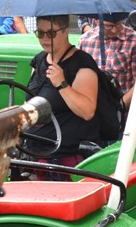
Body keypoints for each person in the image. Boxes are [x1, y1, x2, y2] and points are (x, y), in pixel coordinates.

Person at [24, 14, 108, 165]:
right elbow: (31, 100)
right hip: (36, 150)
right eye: (40, 33)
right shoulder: (39, 60)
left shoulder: (81, 63)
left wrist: (62, 84)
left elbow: (87, 111)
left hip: (66, 155)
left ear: (65, 31)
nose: (44, 39)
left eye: (51, 33)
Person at [79, 17, 136, 107]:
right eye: (109, 26)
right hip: (92, 105)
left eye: (118, 25)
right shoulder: (85, 40)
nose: (114, 30)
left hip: (122, 105)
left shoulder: (134, 40)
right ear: (97, 21)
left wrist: (121, 106)